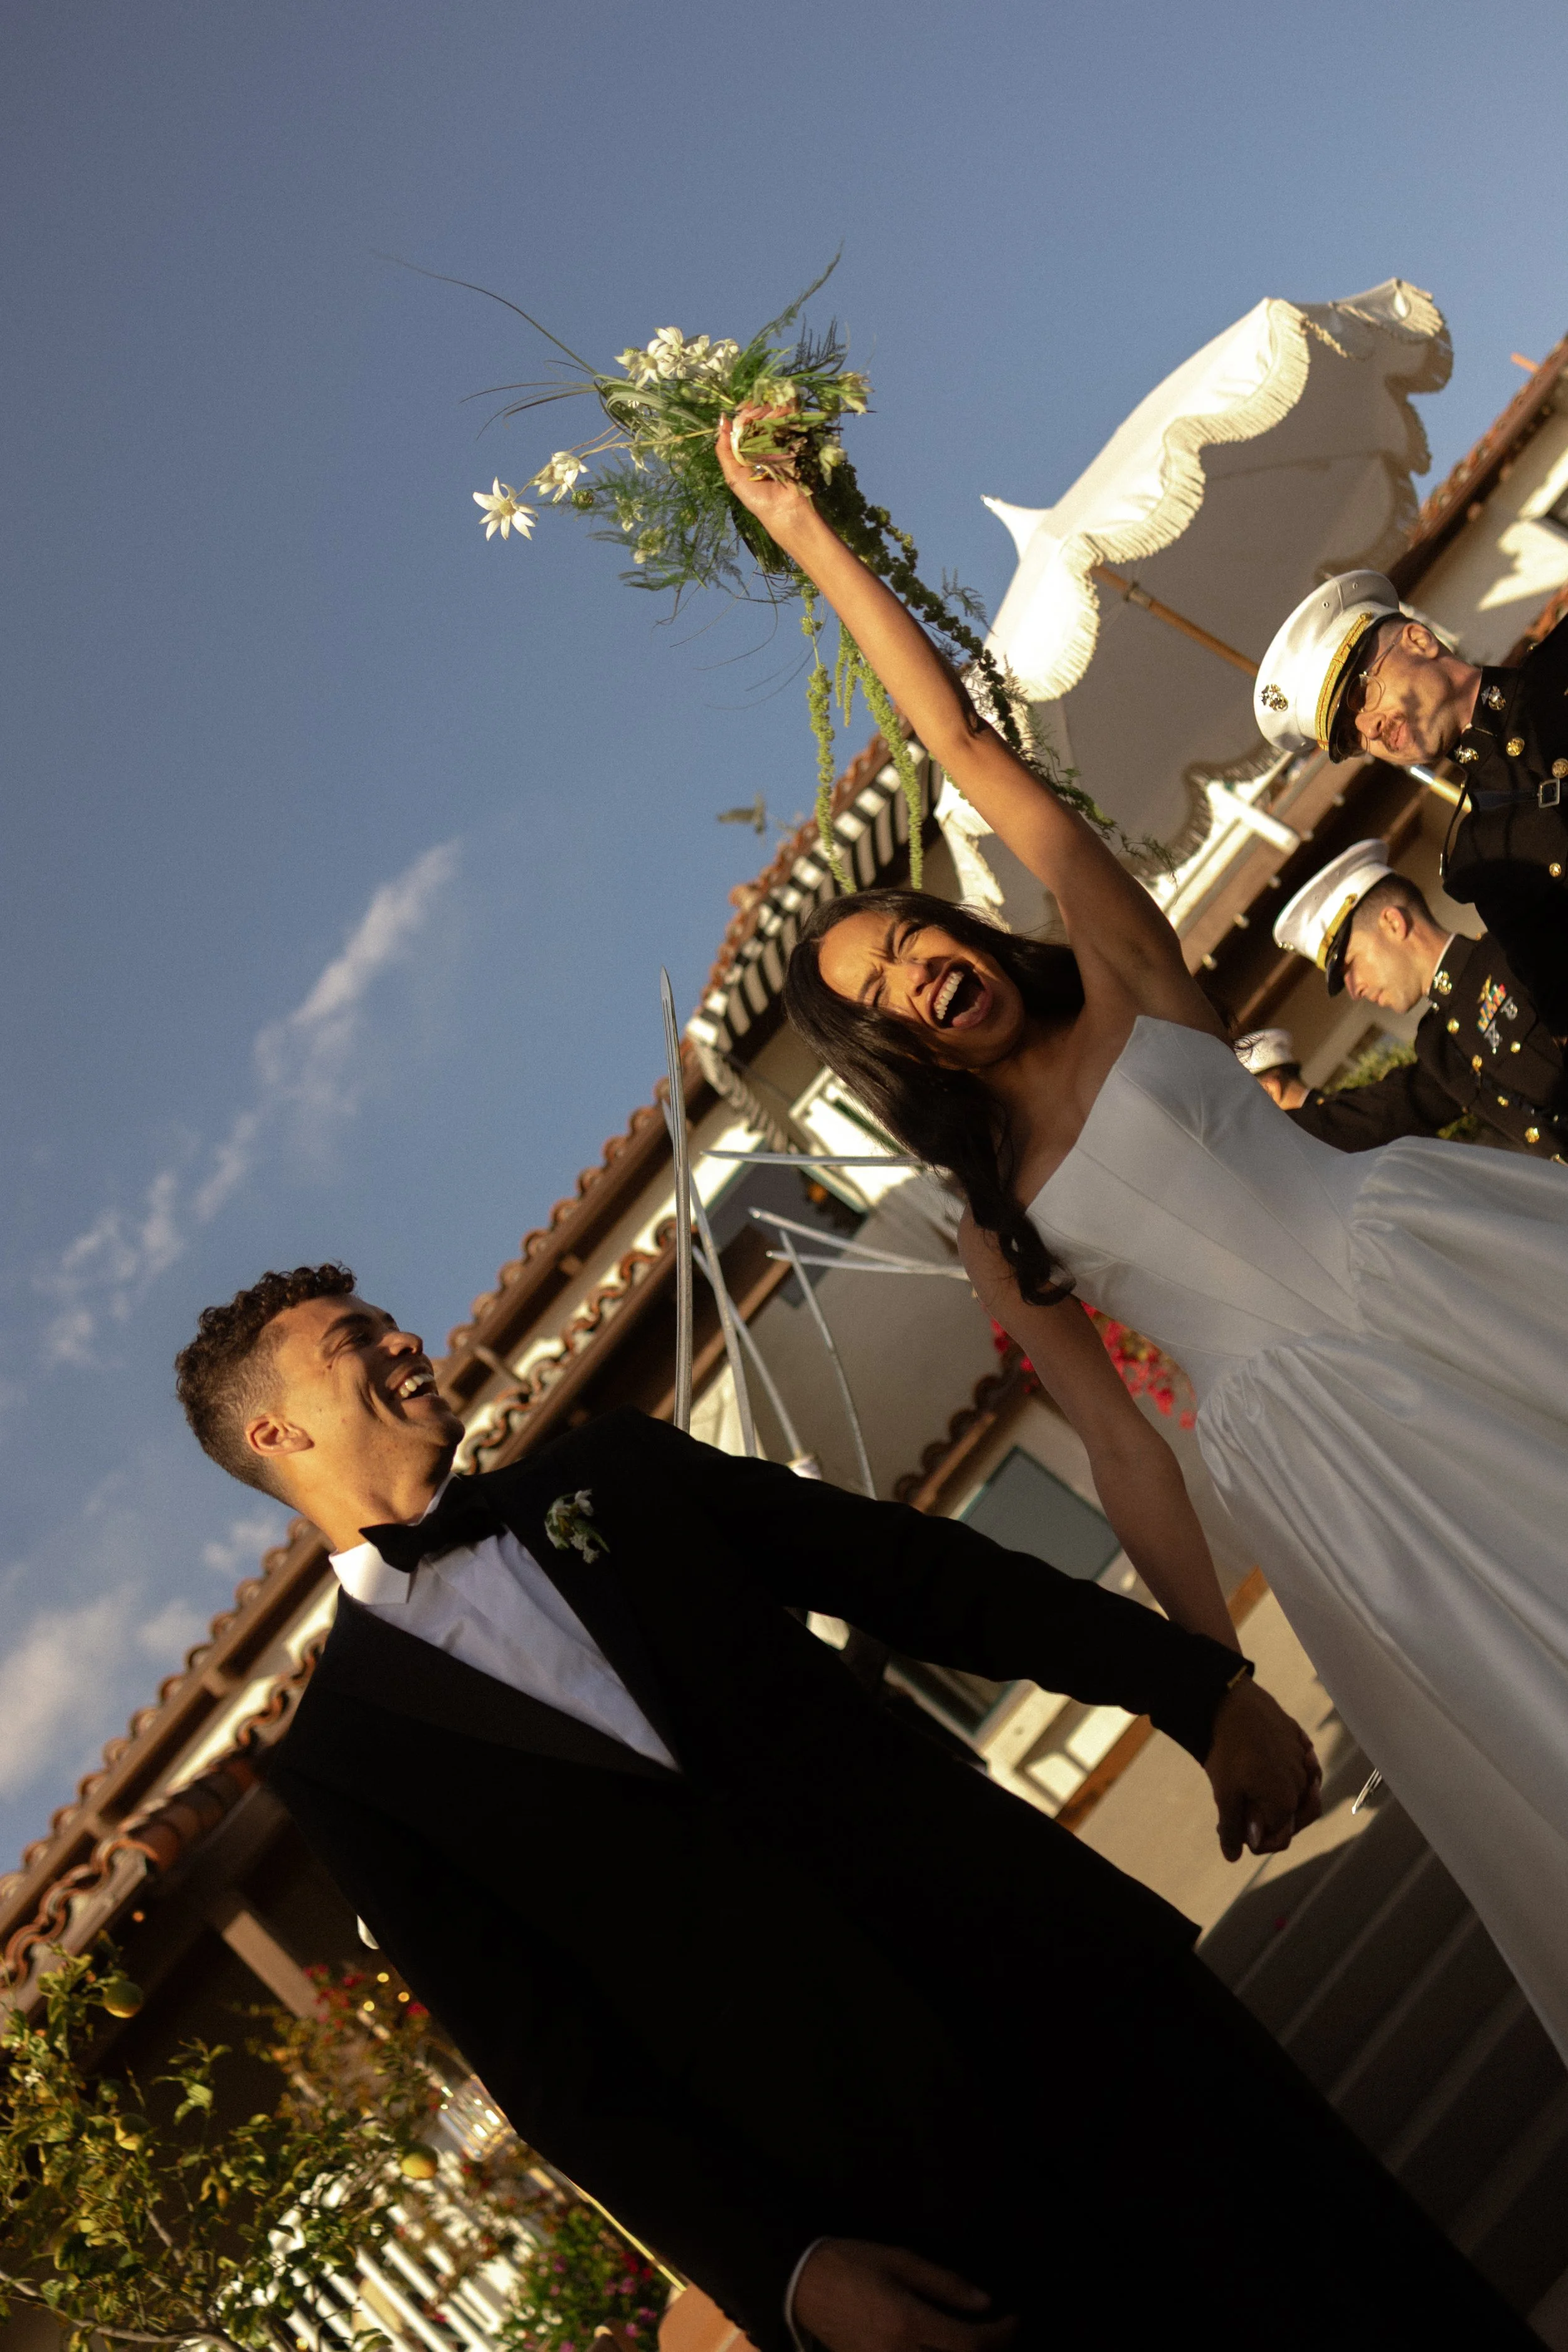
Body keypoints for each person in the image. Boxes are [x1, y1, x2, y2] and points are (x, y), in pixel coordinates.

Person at [172, 1268, 1530, 2351]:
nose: (405, 1337)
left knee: (1383, 2300)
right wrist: (787, 2272)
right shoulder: (344, 1762)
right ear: (276, 1433)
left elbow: (917, 1577)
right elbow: (551, 2069)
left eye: (387, 1319)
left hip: (1080, 1990)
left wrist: (1194, 1688)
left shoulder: (617, 1476)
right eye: (356, 1339)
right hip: (897, 2192)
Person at [719, 407, 1568, 2072]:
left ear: (961, 929)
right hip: (1326, 1466)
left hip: (1429, 1265)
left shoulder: (1124, 976)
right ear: (886, 1044)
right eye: (880, 988)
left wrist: (809, 537)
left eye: (910, 935)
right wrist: (1211, 1680)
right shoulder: (996, 1222)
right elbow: (1117, 1447)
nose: (915, 970)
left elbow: (964, 750)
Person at [1253, 569, 1568, 1034]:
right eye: (1351, 737)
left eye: (1360, 693)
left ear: (1419, 641)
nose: (1369, 728)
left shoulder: (1560, 667)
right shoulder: (1481, 859)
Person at [1267, 840, 1568, 1157]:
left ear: (1393, 924)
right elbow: (1371, 1117)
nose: (1355, 990)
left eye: (1350, 965)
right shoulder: (1440, 1043)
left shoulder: (1514, 952)